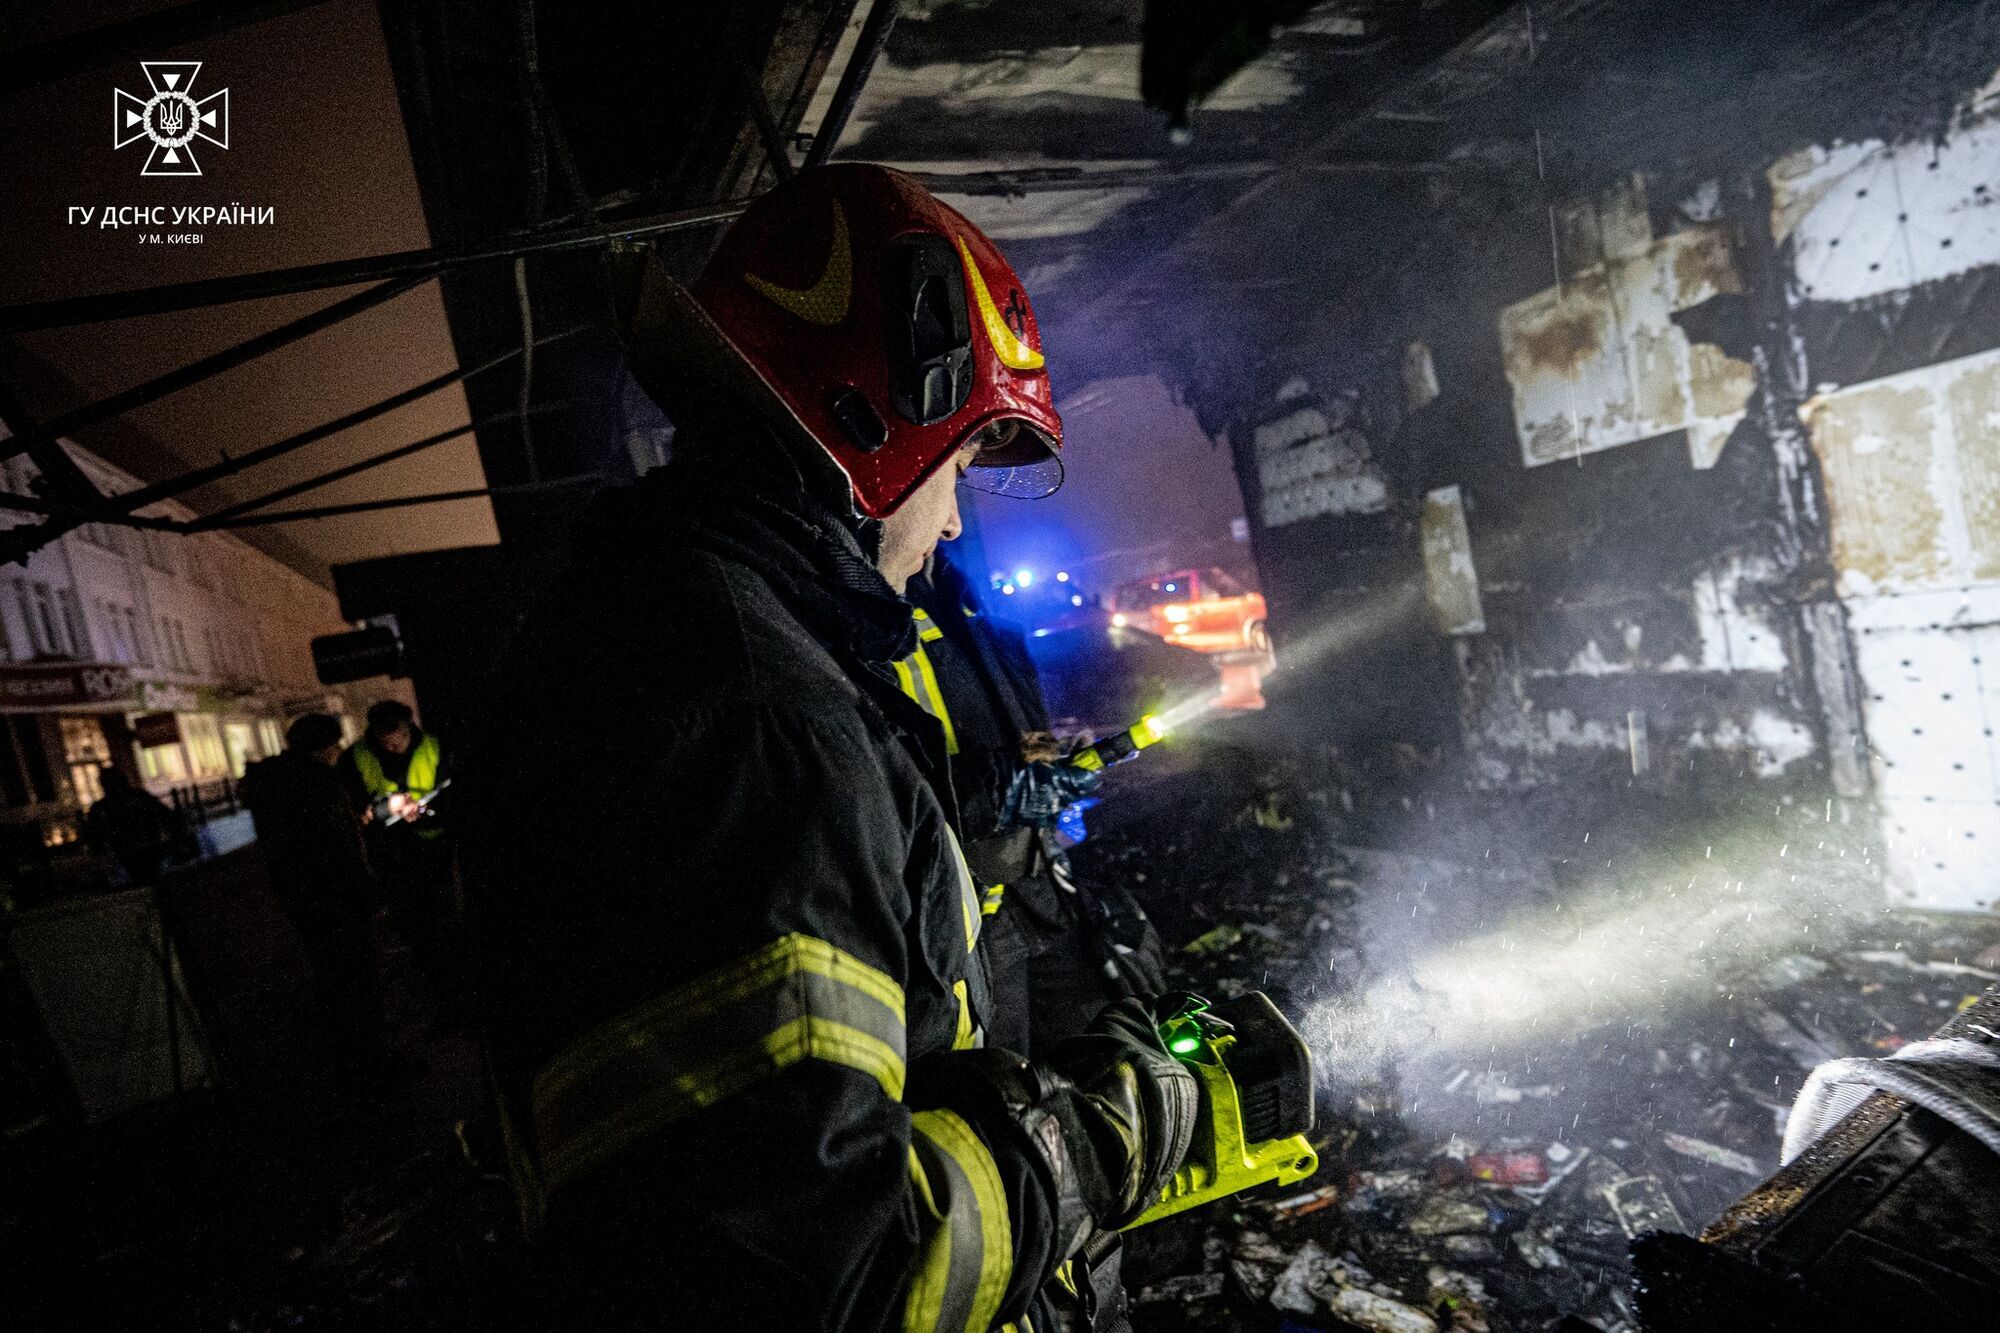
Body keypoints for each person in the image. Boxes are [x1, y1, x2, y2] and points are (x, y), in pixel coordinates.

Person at [463, 164, 1197, 1331]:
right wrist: (1093, 1142)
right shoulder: (759, 722)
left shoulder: (669, 629)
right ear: (876, 423)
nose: (953, 518)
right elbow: (833, 1277)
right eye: (955, 467)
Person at [899, 551, 1167, 1057]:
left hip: (1038, 894)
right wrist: (1004, 786)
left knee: (1105, 1057)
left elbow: (1023, 738)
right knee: (1010, 1086)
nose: (954, 523)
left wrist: (1047, 773)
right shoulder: (870, 616)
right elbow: (882, 792)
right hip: (967, 927)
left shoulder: (961, 598)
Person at [242, 714, 404, 1092]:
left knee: (334, 980)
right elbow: (338, 848)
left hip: (303, 901)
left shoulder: (274, 783)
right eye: (336, 744)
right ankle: (373, 1063)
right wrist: (369, 893)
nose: (339, 751)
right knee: (357, 981)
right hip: (337, 901)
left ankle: (350, 1062)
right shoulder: (318, 784)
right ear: (325, 747)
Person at [82, 766, 179, 886]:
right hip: (151, 850)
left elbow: (94, 840)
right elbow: (167, 816)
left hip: (125, 856)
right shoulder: (140, 797)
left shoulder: (101, 809)